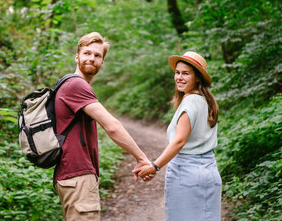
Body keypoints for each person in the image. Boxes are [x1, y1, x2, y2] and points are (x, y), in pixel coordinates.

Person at [53, 32, 152, 221]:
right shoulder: (76, 85)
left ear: (102, 62)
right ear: (77, 57)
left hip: (73, 177)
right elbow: (112, 126)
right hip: (78, 176)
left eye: (97, 55)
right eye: (87, 53)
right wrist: (141, 158)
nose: (92, 58)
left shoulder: (74, 85)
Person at [134, 51, 222, 220]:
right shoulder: (205, 101)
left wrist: (155, 166)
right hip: (209, 173)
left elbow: (179, 141)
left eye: (186, 73)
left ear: (197, 78)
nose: (179, 77)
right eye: (177, 72)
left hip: (187, 176)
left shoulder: (189, 102)